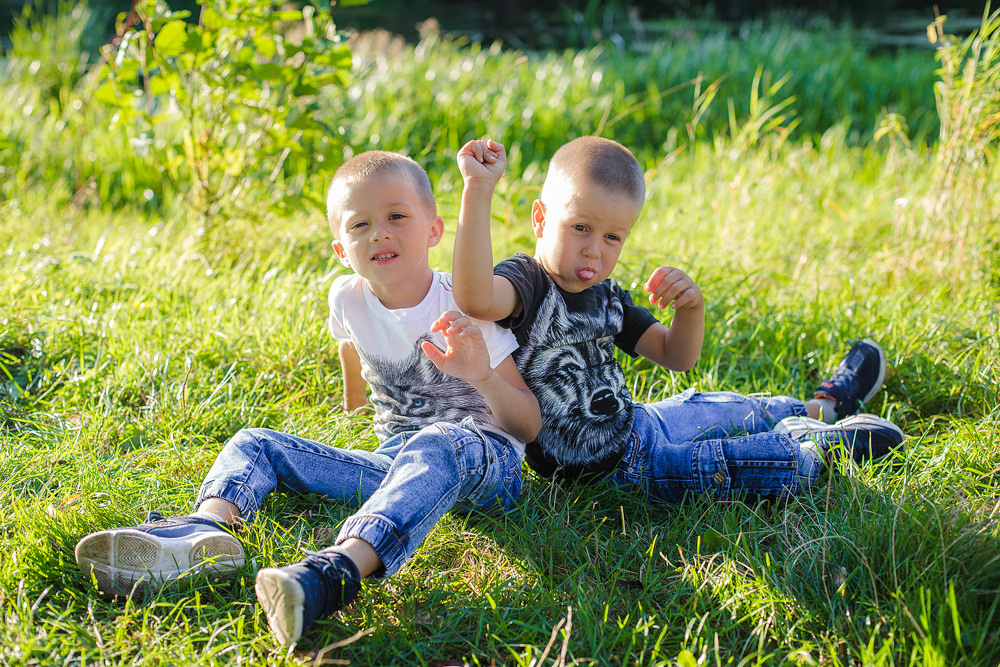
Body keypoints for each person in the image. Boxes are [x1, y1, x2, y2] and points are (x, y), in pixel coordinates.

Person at [75, 150, 541, 646]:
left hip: (482, 466)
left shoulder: (465, 308)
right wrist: (354, 403)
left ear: (433, 230)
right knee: (255, 443)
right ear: (342, 249)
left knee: (441, 441)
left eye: (396, 217)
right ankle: (204, 533)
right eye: (360, 224)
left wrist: (482, 377)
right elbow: (350, 343)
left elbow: (527, 426)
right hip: (395, 464)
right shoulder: (347, 297)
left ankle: (333, 573)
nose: (380, 233)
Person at [450, 135, 904, 501]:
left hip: (640, 425)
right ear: (541, 219)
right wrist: (479, 189)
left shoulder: (606, 296)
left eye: (613, 237)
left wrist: (692, 309)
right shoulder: (527, 284)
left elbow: (675, 355)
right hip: (615, 472)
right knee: (722, 465)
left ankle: (822, 407)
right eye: (580, 227)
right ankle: (816, 449)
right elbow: (474, 298)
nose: (594, 249)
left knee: (719, 407)